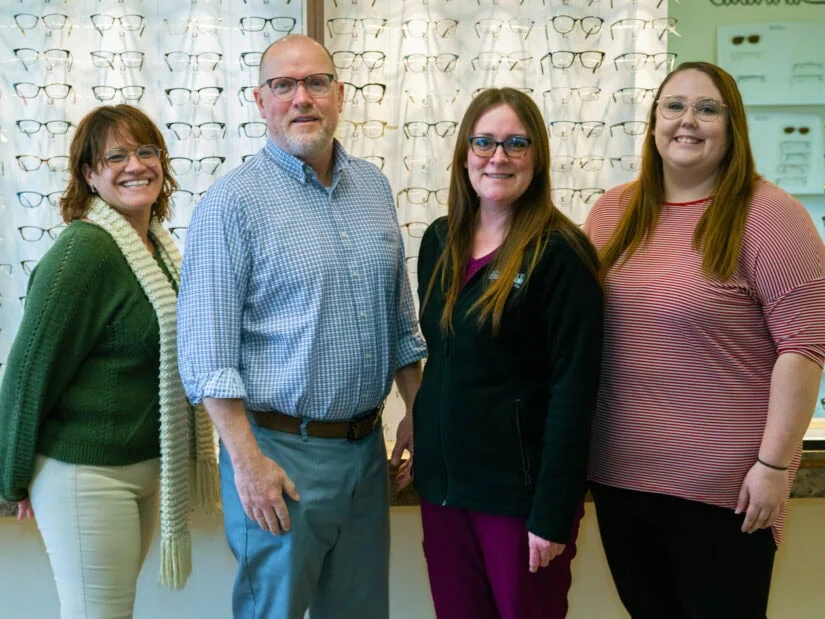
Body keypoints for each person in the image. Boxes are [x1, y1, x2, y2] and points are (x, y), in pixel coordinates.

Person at [177, 34, 426, 619]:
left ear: (339, 95)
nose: (301, 98)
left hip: (368, 453)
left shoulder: (373, 188)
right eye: (283, 85)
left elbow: (400, 325)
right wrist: (248, 463)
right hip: (278, 457)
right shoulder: (229, 205)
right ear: (260, 100)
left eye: (315, 83)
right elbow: (207, 359)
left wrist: (416, 409)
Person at [584, 61, 825, 619]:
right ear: (653, 124)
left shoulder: (770, 216)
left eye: (707, 108)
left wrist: (772, 465)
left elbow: (805, 348)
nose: (687, 120)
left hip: (726, 490)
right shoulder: (611, 212)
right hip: (621, 478)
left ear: (732, 125)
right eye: (674, 106)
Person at [0, 104, 219, 618]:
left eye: (146, 152)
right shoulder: (84, 250)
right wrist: (10, 480)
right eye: (115, 156)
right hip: (87, 475)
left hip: (146, 470)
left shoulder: (159, 250)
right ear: (90, 175)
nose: (135, 165)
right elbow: (29, 373)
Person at [410, 87, 604, 619]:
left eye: (516, 143)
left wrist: (552, 511)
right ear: (464, 153)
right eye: (485, 142)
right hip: (446, 491)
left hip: (519, 503)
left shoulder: (560, 253)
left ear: (537, 157)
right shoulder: (439, 241)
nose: (499, 157)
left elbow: (575, 391)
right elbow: (444, 361)